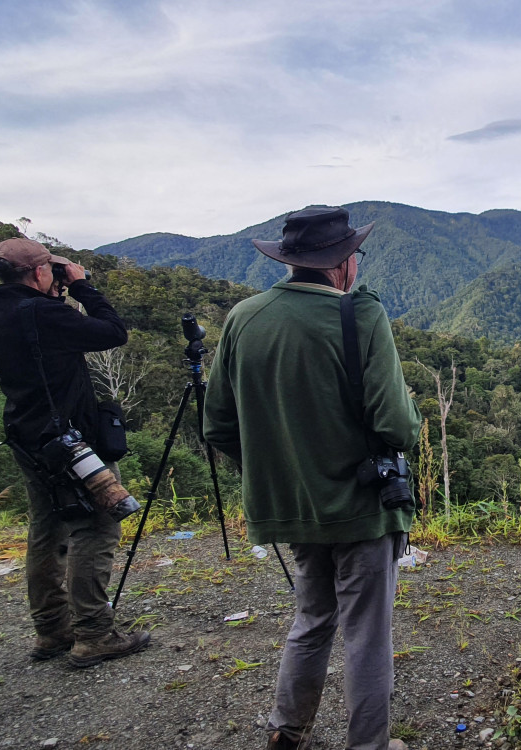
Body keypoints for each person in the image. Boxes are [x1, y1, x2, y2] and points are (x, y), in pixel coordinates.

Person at [204, 206, 421, 750]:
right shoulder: (360, 315)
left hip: (295, 507)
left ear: (291, 261)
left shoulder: (243, 318)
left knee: (312, 617)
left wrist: (282, 470)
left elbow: (219, 425)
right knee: (367, 636)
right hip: (363, 506)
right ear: (342, 263)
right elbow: (395, 424)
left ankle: (286, 730)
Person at [0, 237, 150, 668]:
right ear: (38, 272)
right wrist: (83, 286)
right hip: (71, 441)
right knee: (98, 525)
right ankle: (94, 633)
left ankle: (51, 629)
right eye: (51, 269)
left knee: (47, 528)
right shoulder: (43, 313)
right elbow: (113, 331)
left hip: (28, 436)